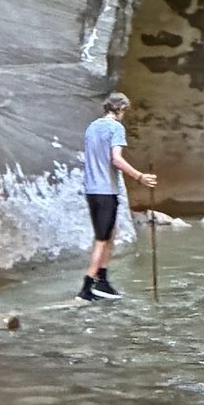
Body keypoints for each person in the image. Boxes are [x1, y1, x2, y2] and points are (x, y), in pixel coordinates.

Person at [79, 91, 156, 301]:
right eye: (125, 111)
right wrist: (140, 177)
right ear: (120, 108)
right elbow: (116, 159)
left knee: (109, 233)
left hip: (92, 189)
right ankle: (86, 287)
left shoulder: (92, 127)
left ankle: (102, 282)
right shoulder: (116, 127)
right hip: (106, 190)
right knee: (102, 240)